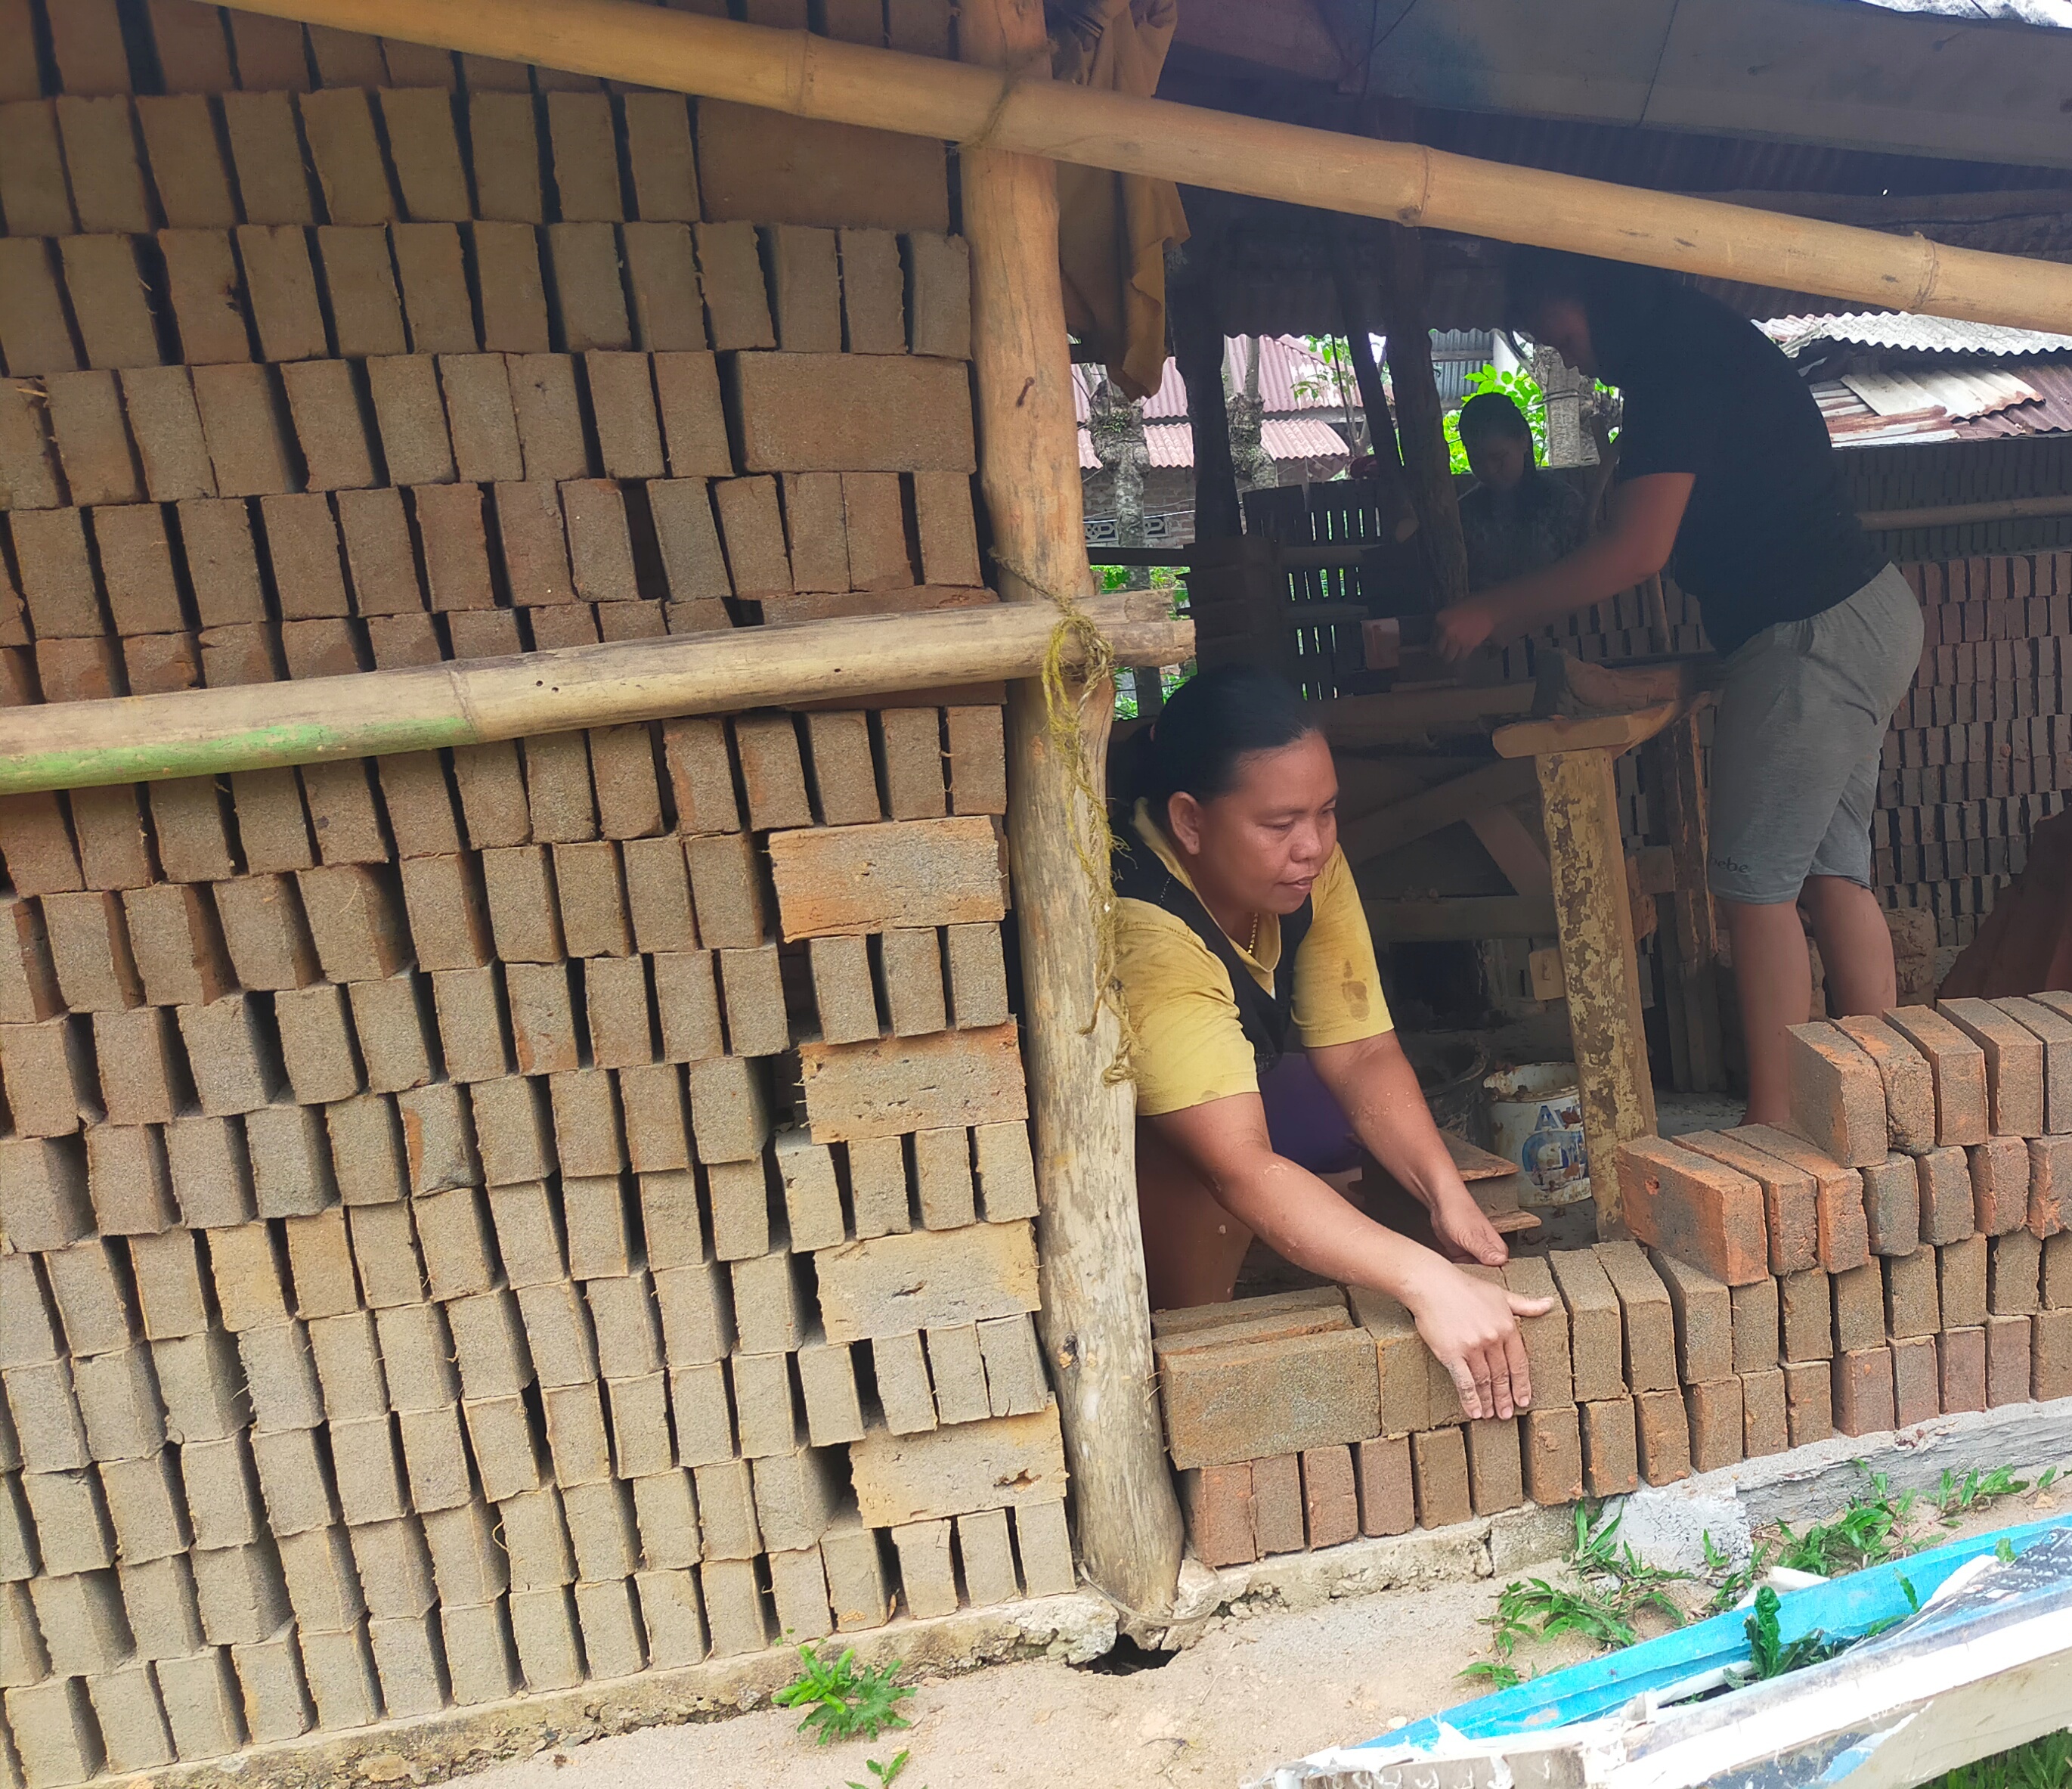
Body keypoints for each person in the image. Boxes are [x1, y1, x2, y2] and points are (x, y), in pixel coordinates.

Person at [1434, 251, 1921, 1127]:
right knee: (1829, 873)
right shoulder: (1698, 347)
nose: (1567, 357)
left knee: (1752, 887)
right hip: (1862, 614)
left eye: (1563, 335)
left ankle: (1776, 1131)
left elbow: (1635, 553)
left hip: (1809, 632)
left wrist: (1490, 610)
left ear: (1593, 297)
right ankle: (1878, 1103)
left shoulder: (1675, 370)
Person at [1110, 665, 1552, 1421]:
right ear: (1189, 821)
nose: (1312, 845)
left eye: (1326, 812)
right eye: (1278, 824)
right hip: (1071, 1148)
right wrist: (1420, 1278)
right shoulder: (1145, 923)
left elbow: (1358, 1051)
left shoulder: (1309, 868)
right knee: (1195, 1176)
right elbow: (1236, 1165)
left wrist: (1442, 1193)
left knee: (1317, 1126)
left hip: (1225, 1078)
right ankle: (1184, 1393)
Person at [1454, 389, 1592, 590]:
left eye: (1499, 458)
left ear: (1524, 441)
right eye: (1476, 461)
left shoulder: (1563, 504)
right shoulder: (1464, 514)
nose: (1489, 470)